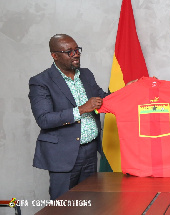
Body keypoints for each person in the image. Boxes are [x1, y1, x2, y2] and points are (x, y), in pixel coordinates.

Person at [28, 34, 109, 200]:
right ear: (55, 55)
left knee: (90, 203)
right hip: (64, 154)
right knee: (63, 206)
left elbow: (103, 99)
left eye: (77, 50)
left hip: (90, 151)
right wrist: (81, 109)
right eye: (69, 52)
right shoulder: (41, 81)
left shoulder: (86, 75)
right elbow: (44, 119)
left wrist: (128, 91)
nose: (76, 54)